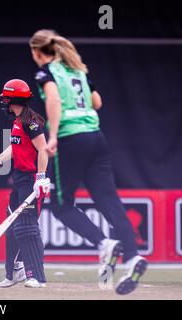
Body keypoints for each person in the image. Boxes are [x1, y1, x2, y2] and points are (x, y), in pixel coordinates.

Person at [29, 29, 148, 295]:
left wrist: (53, 135)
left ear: (38, 52)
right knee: (108, 200)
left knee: (61, 205)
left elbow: (54, 100)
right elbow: (97, 102)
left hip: (71, 139)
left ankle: (103, 243)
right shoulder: (78, 70)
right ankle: (132, 256)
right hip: (97, 137)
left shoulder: (46, 73)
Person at [0, 79, 50, 288]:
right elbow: (15, 148)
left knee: (27, 228)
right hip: (19, 178)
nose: (4, 101)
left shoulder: (31, 121)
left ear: (14, 98)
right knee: (11, 227)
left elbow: (43, 149)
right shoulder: (18, 121)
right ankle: (13, 272)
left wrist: (41, 177)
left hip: (32, 180)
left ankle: (37, 276)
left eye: (6, 97)